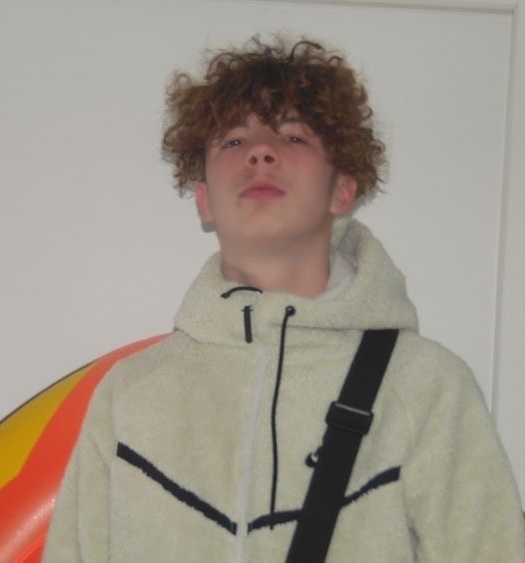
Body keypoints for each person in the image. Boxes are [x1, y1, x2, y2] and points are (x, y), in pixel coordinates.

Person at [43, 37, 525, 561]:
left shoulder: (428, 387)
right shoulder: (129, 397)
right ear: (204, 200)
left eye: (294, 136)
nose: (261, 152)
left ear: (342, 189)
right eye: (233, 141)